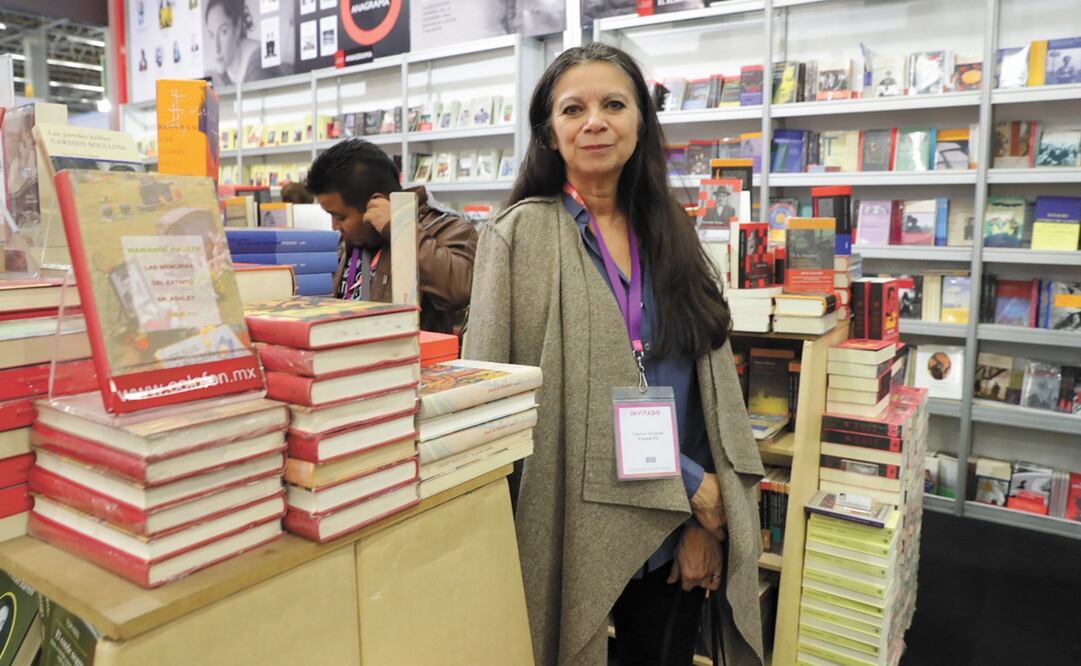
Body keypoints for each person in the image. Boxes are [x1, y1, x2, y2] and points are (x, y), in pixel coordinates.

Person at [463, 43, 765, 665]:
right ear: (549, 133)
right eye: (573, 108)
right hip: (574, 513)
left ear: (640, 123)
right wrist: (690, 487)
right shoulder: (517, 237)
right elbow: (491, 394)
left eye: (614, 104)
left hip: (674, 525)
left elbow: (703, 388)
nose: (594, 120)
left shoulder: (671, 232)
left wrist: (697, 523)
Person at [305, 139, 477, 335]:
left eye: (340, 216)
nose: (335, 225)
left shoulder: (447, 228)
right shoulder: (351, 239)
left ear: (376, 204)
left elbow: (460, 290)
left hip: (413, 361)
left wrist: (401, 229)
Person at [204, 0, 260, 88]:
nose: (216, 49)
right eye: (212, 35)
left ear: (238, 26)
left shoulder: (257, 62)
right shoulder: (224, 71)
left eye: (223, 32)